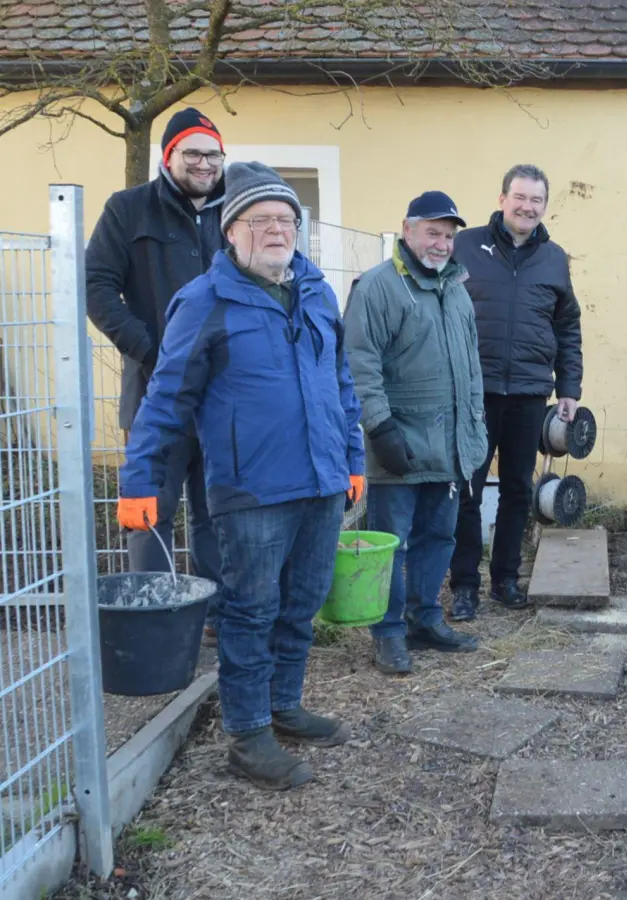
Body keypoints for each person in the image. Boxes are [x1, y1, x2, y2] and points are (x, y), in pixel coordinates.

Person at [117, 162, 366, 791]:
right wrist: (140, 482)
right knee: (251, 610)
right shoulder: (205, 301)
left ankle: (284, 705)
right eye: (261, 220)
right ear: (231, 231)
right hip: (250, 488)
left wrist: (353, 460)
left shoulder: (317, 291)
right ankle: (248, 735)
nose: (278, 230)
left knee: (302, 604)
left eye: (287, 219)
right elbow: (166, 397)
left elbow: (341, 384)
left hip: (320, 480)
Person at [86, 106, 226, 636]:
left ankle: (215, 616)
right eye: (192, 153)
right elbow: (97, 288)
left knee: (217, 510)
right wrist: (152, 350)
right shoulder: (128, 210)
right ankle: (157, 621)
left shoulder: (235, 207)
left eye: (213, 154)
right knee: (151, 510)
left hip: (222, 391)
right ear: (169, 157)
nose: (204, 164)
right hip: (155, 391)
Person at [344, 191, 488, 674]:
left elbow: (470, 369)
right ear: (407, 230)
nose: (441, 244)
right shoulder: (379, 288)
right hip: (400, 443)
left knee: (439, 537)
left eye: (448, 236)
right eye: (432, 232)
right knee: (392, 544)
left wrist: (474, 428)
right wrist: (380, 428)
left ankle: (425, 619)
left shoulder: (457, 290)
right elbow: (359, 364)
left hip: (448, 445)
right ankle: (388, 632)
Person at [448, 164, 584, 620]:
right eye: (520, 198)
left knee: (517, 491)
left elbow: (567, 326)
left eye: (537, 201)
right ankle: (465, 584)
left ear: (545, 206)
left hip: (529, 392)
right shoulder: (464, 246)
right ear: (503, 198)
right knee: (466, 488)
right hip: (474, 392)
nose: (527, 207)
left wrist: (568, 387)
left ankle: (505, 579)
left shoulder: (554, 258)